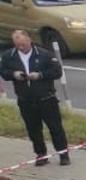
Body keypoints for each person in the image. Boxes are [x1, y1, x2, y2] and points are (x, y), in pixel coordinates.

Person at [2, 30, 69, 166]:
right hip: (25, 100)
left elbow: (57, 71)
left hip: (46, 98)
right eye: (18, 45)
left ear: (29, 40)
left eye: (23, 45)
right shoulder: (9, 56)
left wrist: (40, 75)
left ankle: (63, 154)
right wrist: (13, 74)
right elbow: (3, 72)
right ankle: (41, 154)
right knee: (33, 129)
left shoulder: (44, 54)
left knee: (55, 128)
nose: (21, 48)